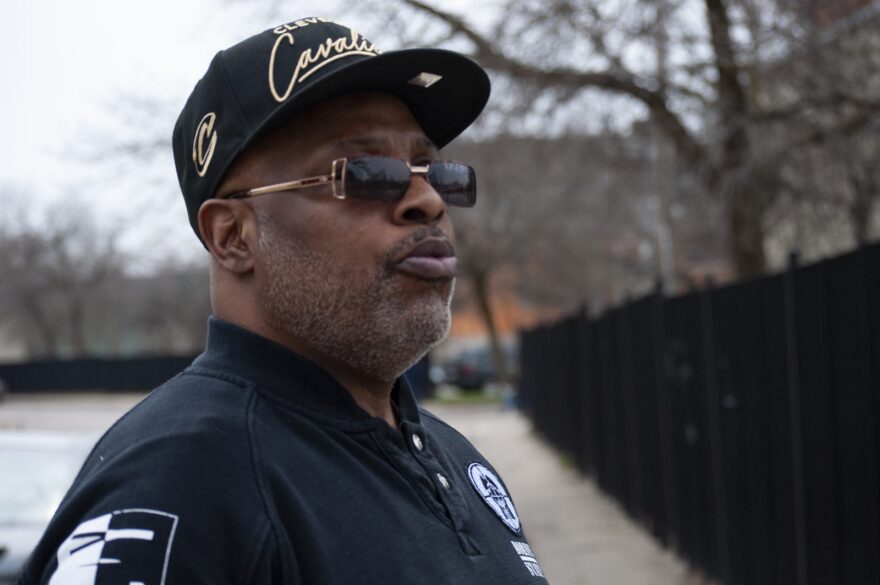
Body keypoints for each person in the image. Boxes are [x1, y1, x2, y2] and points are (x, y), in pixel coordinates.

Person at [18, 18, 547, 585]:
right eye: (367, 173)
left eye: (436, 172)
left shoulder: (452, 455)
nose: (426, 200)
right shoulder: (182, 480)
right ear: (233, 237)